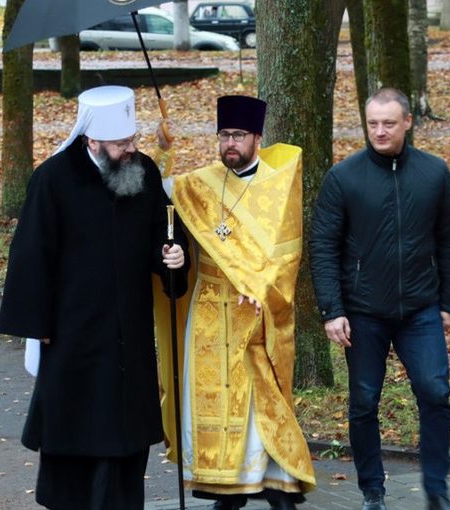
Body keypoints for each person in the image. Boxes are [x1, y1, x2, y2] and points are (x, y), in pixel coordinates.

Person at [0, 85, 189, 510]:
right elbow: (31, 255)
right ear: (92, 141)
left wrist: (173, 256)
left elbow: (163, 228)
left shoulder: (144, 173)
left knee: (125, 446)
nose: (131, 150)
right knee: (78, 444)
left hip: (130, 336)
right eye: (122, 144)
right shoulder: (53, 179)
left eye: (134, 140)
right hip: (74, 338)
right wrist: (39, 327)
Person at [156, 95, 316, 510]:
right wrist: (163, 149)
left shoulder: (277, 185)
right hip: (208, 311)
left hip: (256, 313)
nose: (230, 143)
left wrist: (260, 285)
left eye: (238, 136)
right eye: (224, 135)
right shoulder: (201, 184)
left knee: (259, 404)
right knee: (215, 402)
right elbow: (155, 193)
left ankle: (274, 484)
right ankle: (225, 488)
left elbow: (287, 254)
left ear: (257, 138)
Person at [309, 87, 450, 510]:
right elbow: (323, 245)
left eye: (389, 123)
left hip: (420, 309)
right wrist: (332, 310)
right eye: (372, 123)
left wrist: (449, 302)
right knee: (363, 402)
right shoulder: (344, 177)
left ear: (408, 122)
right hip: (362, 313)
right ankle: (372, 491)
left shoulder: (434, 173)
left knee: (434, 392)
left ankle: (437, 488)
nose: (379, 131)